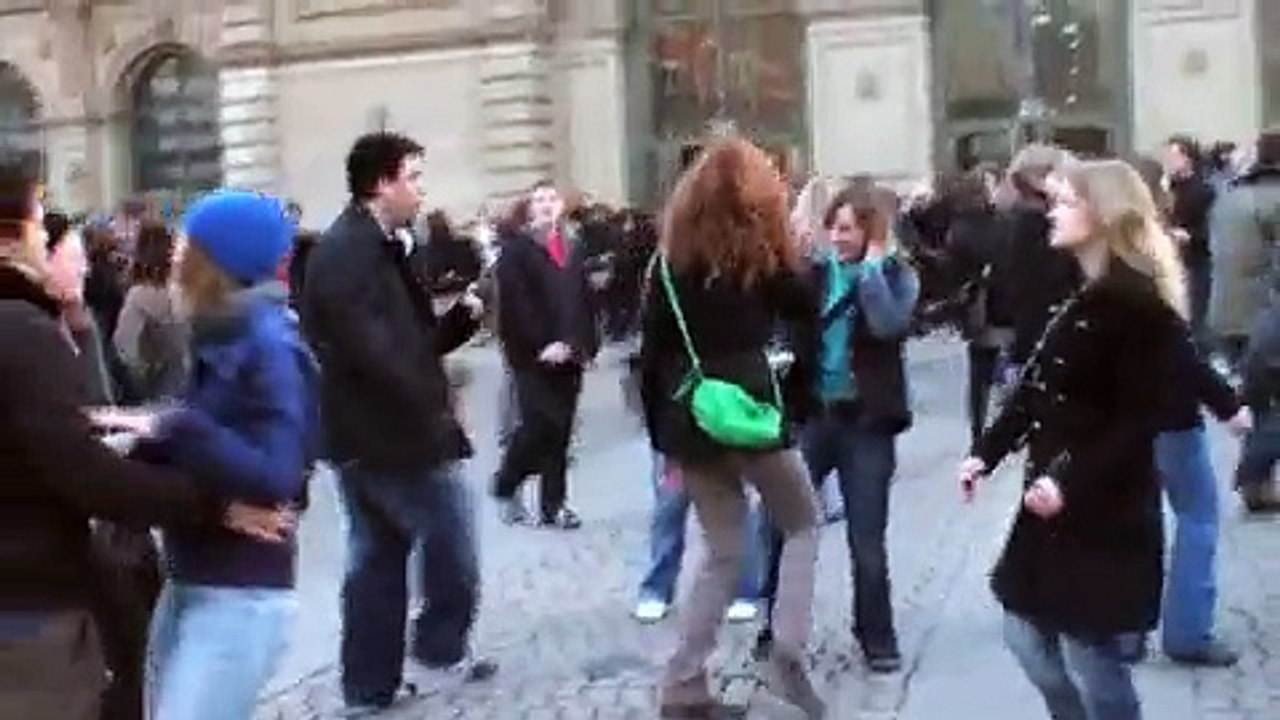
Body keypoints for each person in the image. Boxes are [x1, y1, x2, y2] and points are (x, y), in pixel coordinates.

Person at [0, 167, 289, 720]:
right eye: (40, 224)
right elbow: (83, 473)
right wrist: (213, 503)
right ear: (9, 239)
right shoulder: (19, 328)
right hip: (26, 601)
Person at [959, 159, 1186, 720]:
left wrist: (1069, 482)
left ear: (1103, 212)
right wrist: (985, 454)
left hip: (1102, 506)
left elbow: (1137, 419)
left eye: (1064, 202)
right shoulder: (1078, 290)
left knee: (1089, 656)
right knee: (1024, 634)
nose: (1051, 213)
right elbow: (1036, 388)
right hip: (1049, 501)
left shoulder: (1136, 306)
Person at [301, 132, 492, 714]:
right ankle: (436, 644)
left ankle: (369, 686)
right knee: (450, 541)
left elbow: (410, 345)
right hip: (384, 437)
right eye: (413, 177)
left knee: (377, 561)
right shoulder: (345, 253)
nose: (421, 189)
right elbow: (376, 355)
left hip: (383, 432)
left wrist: (458, 324)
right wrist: (438, 419)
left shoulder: (383, 245)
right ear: (381, 184)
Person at [639, 136, 823, 718]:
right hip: (752, 412)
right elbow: (807, 308)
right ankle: (785, 647)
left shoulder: (667, 266)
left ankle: (683, 685)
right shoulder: (763, 259)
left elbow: (650, 358)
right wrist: (798, 246)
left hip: (692, 419)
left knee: (722, 551)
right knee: (802, 521)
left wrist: (662, 441)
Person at [760, 181, 921, 675]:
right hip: (814, 415)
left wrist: (870, 270)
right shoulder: (811, 275)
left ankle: (876, 634)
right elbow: (781, 323)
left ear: (872, 232)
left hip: (866, 422)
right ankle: (775, 626)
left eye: (848, 229)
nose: (837, 237)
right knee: (782, 524)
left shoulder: (897, 276)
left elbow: (888, 325)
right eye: (833, 227)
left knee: (866, 539)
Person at [492, 180, 600, 529]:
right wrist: (542, 344)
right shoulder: (516, 251)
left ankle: (554, 504)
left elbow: (582, 300)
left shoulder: (573, 248)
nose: (546, 204)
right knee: (540, 425)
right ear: (529, 208)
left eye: (552, 198)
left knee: (562, 432)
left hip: (571, 354)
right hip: (532, 356)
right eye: (539, 199)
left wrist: (582, 343)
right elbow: (517, 306)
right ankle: (506, 480)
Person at [112, 221, 188, 403]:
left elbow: (124, 345)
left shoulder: (138, 295)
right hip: (186, 383)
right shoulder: (185, 290)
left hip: (154, 385)